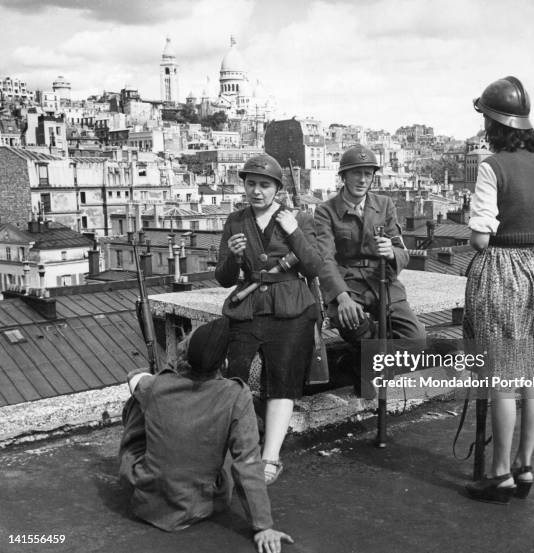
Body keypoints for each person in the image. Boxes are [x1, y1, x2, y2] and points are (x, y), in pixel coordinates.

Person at [464, 76, 534, 503]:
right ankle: (524, 467)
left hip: (502, 271)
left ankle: (498, 474)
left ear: (493, 125)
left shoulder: (492, 166)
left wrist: (499, 236)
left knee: (503, 378)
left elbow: (478, 237)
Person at [118, 317, 293, 552]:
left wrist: (150, 377)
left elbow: (133, 378)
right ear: (224, 362)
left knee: (138, 403)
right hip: (199, 506)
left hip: (146, 503)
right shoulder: (235, 395)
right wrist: (263, 526)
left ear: (185, 353)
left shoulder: (156, 385)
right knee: (233, 448)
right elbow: (248, 464)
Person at [215, 154, 322, 485]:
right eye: (251, 184)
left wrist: (295, 235)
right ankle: (238, 449)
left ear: (277, 188)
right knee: (237, 374)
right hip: (248, 306)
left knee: (282, 375)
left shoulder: (298, 219)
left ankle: (270, 456)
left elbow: (314, 267)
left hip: (290, 305)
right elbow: (224, 277)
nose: (257, 191)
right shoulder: (235, 221)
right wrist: (233, 258)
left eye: (264, 185)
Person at [314, 144, 426, 359]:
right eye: (356, 173)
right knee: (350, 323)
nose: (362, 180)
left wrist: (391, 252)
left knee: (417, 339)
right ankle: (373, 356)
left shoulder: (384, 205)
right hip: (347, 283)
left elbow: (402, 250)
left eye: (368, 174)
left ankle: (366, 360)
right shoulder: (325, 211)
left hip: (383, 281)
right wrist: (342, 297)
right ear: (344, 176)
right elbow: (325, 259)